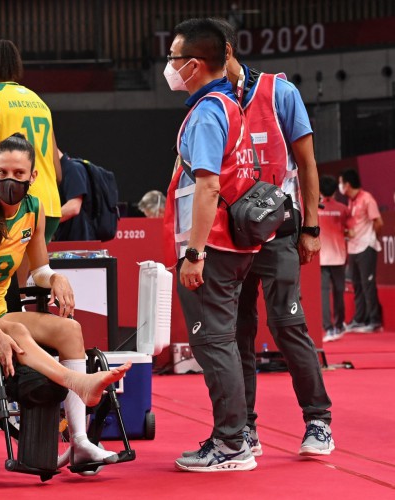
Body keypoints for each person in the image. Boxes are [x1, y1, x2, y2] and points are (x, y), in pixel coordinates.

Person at [0, 133, 131, 465]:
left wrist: (55, 277)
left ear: (33, 176)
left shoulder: (33, 209)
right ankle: (77, 383)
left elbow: (38, 268)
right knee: (15, 332)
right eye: (3, 173)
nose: (10, 180)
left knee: (70, 331)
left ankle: (79, 442)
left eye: (19, 174)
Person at [211, 17, 335, 458]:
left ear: (225, 50)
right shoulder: (208, 100)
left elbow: (307, 162)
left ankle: (318, 420)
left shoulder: (281, 93)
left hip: (278, 231)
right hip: (228, 237)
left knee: (287, 325)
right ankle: (245, 428)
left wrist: (312, 226)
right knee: (238, 333)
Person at [162, 19, 260, 472]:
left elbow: (206, 186)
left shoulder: (205, 113)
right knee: (225, 343)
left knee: (214, 345)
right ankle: (236, 437)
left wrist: (194, 253)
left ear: (194, 64)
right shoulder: (230, 102)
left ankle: (232, 445)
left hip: (212, 249)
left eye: (174, 59)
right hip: (234, 246)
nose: (170, 67)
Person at [0, 39, 62, 244]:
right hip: (50, 206)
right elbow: (58, 173)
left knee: (8, 276)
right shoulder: (40, 102)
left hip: (14, 203)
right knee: (36, 274)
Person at [339, 168, 383, 332]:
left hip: (366, 246)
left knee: (368, 284)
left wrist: (371, 238)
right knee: (356, 284)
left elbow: (378, 222)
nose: (340, 186)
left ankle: (374, 320)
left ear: (348, 184)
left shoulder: (367, 199)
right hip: (353, 247)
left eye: (341, 182)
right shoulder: (351, 201)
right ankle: (360, 319)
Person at [319, 175, 351, 342]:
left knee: (323, 294)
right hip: (338, 257)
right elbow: (350, 231)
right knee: (339, 292)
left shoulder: (316, 208)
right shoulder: (343, 208)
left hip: (321, 259)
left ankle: (328, 328)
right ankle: (339, 325)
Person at [54, 150, 95, 242]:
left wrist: (46, 221)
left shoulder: (72, 168)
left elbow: (73, 207)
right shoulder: (58, 172)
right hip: (65, 239)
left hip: (79, 242)